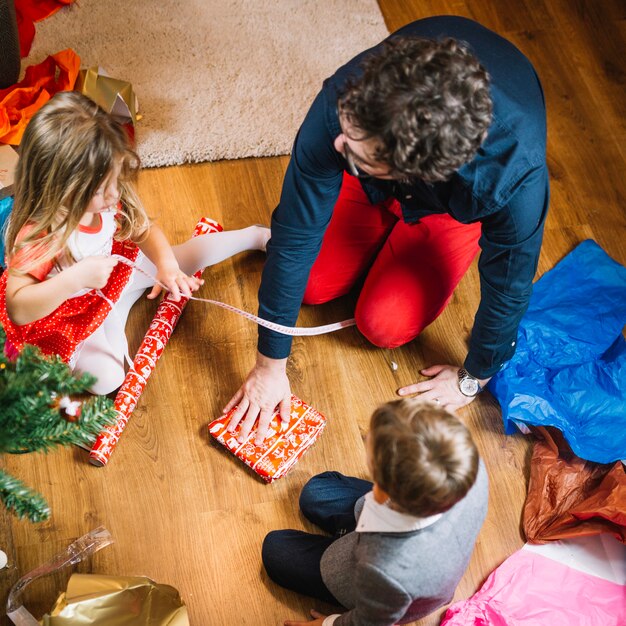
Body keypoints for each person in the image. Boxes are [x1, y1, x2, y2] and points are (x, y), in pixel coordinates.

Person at [224, 16, 549, 443]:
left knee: (383, 325)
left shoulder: (512, 179)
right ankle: (366, 199)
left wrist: (473, 377)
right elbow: (297, 236)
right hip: (383, 178)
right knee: (310, 284)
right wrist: (269, 366)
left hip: (449, 208)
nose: (337, 146)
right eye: (346, 136)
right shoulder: (347, 107)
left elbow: (509, 287)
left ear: (411, 171)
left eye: (356, 156)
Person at [0, 91, 269, 394]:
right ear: (63, 187)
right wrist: (75, 279)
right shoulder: (41, 234)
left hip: (116, 272)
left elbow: (143, 231)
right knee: (108, 381)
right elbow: (19, 308)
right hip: (68, 314)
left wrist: (166, 265)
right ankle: (115, 311)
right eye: (103, 189)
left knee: (182, 259)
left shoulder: (108, 198)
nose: (116, 194)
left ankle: (256, 235)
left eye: (117, 181)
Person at [262, 399, 488, 626]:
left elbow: (368, 622)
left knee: (274, 549)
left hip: (386, 576)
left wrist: (327, 624)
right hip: (402, 537)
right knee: (315, 491)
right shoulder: (467, 461)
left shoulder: (388, 570)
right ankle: (346, 532)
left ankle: (343, 536)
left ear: (380, 492)